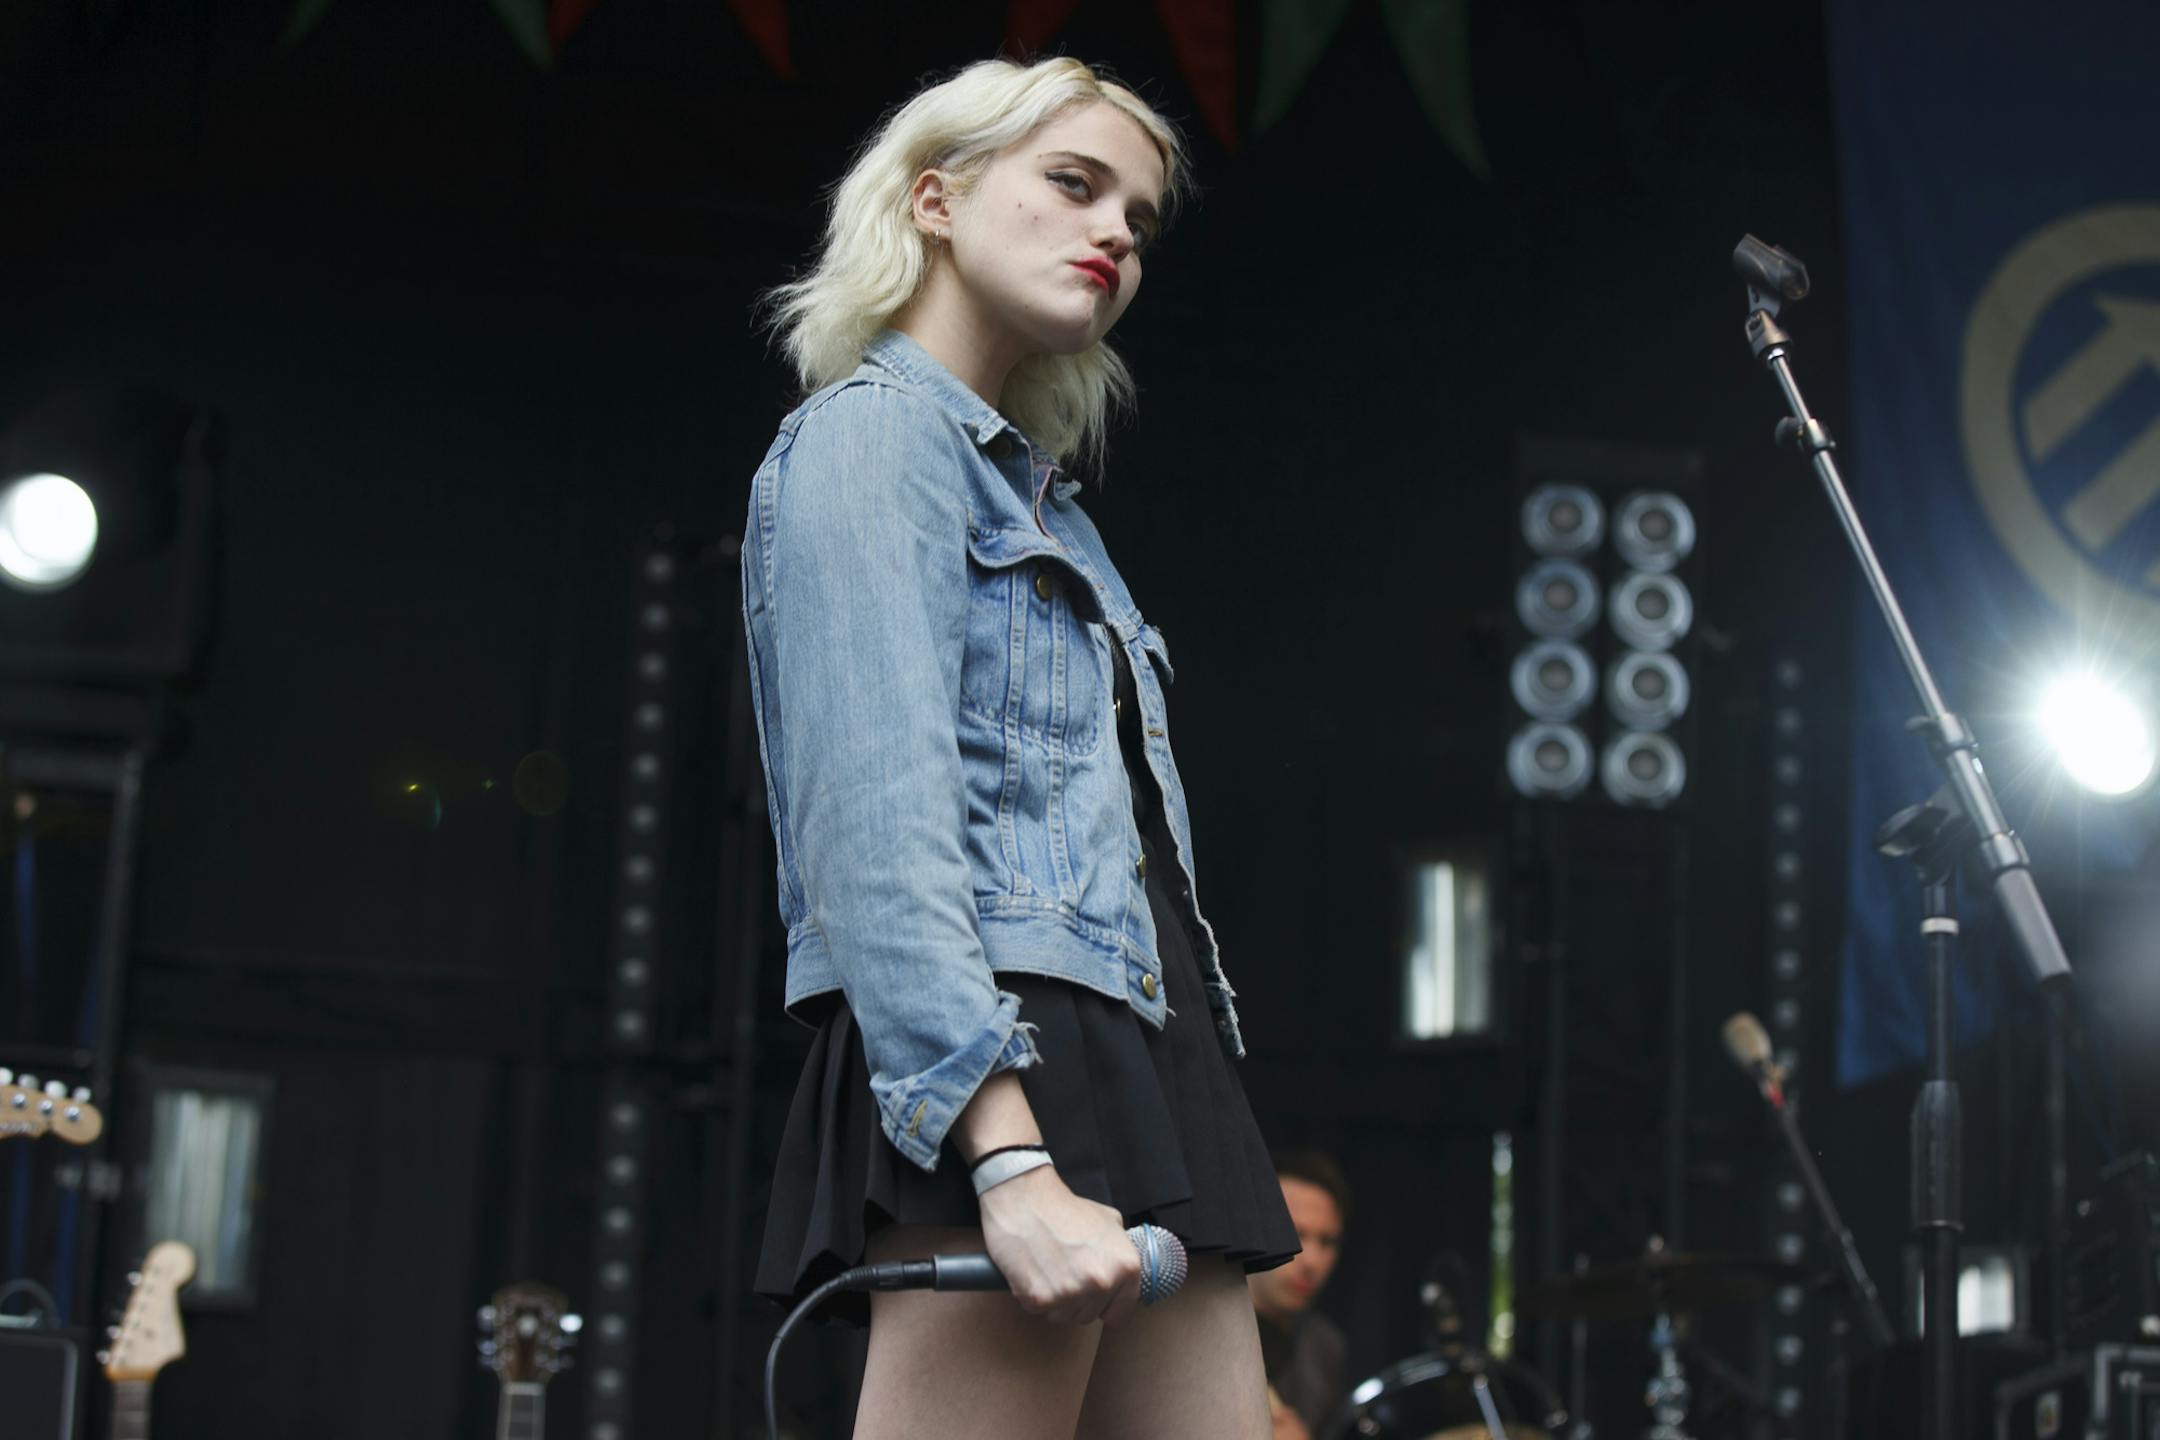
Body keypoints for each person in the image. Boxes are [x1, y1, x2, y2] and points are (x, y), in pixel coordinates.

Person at [745, 56, 1298, 1440]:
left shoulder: (1050, 509)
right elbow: (873, 831)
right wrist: (1004, 1158)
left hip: (1148, 1044)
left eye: (1137, 216)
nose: (1113, 231)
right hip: (1012, 1052)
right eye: (1071, 182)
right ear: (935, 198)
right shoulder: (871, 444)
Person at [1248, 1151, 1351, 1440]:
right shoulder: (1196, 1329)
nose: (1312, 1261)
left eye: (1327, 1241)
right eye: (1295, 1234)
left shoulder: (1326, 1347)